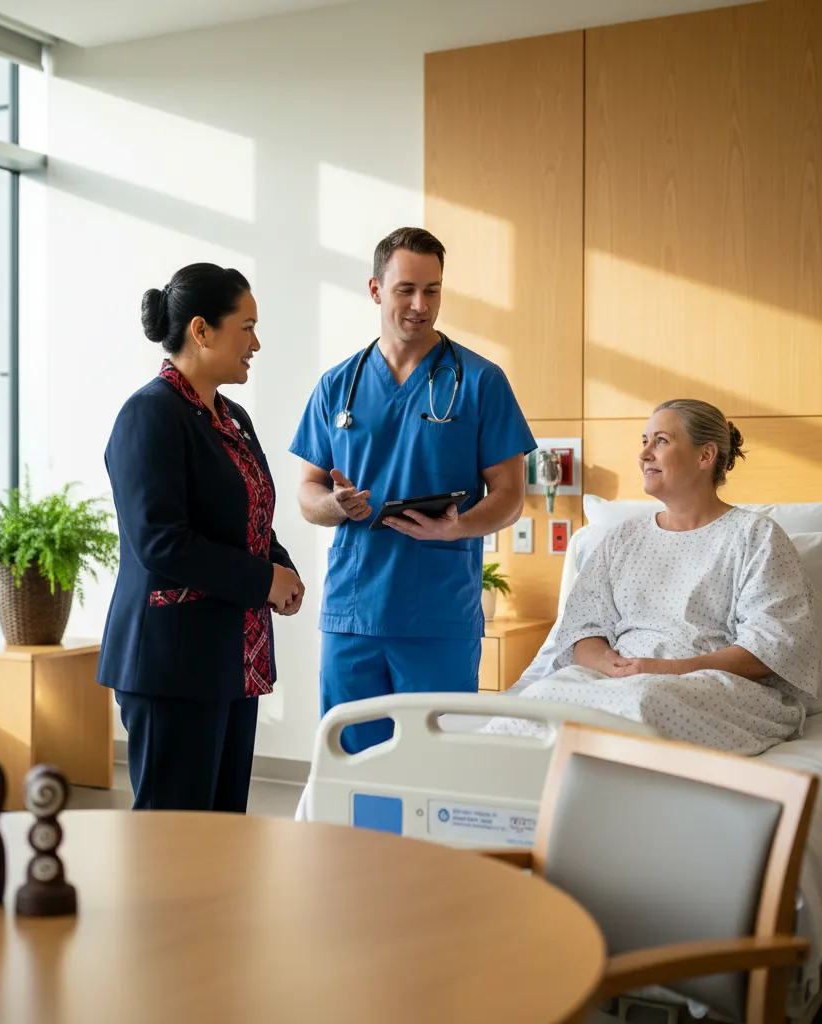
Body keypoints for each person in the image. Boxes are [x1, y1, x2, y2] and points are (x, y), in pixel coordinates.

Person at [289, 227, 535, 753]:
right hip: (352, 615)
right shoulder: (339, 385)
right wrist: (332, 505)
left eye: (433, 290)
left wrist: (460, 526)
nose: (421, 305)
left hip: (438, 615)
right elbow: (307, 491)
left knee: (432, 771)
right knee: (349, 767)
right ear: (376, 290)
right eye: (406, 290)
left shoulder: (480, 381)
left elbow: (510, 494)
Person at [489, 399, 821, 755]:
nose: (645, 454)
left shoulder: (756, 537)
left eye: (661, 440)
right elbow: (582, 629)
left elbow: (770, 646)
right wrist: (612, 666)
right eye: (644, 441)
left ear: (705, 455)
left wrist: (668, 669)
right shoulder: (621, 538)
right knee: (538, 698)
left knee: (646, 702)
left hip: (714, 685)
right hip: (618, 680)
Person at [98, 263, 303, 812]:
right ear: (202, 330)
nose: (256, 343)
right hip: (173, 660)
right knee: (175, 839)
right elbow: (161, 540)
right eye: (247, 326)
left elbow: (250, 513)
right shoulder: (149, 415)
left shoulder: (230, 416)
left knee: (224, 831)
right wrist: (263, 580)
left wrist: (282, 570)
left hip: (232, 656)